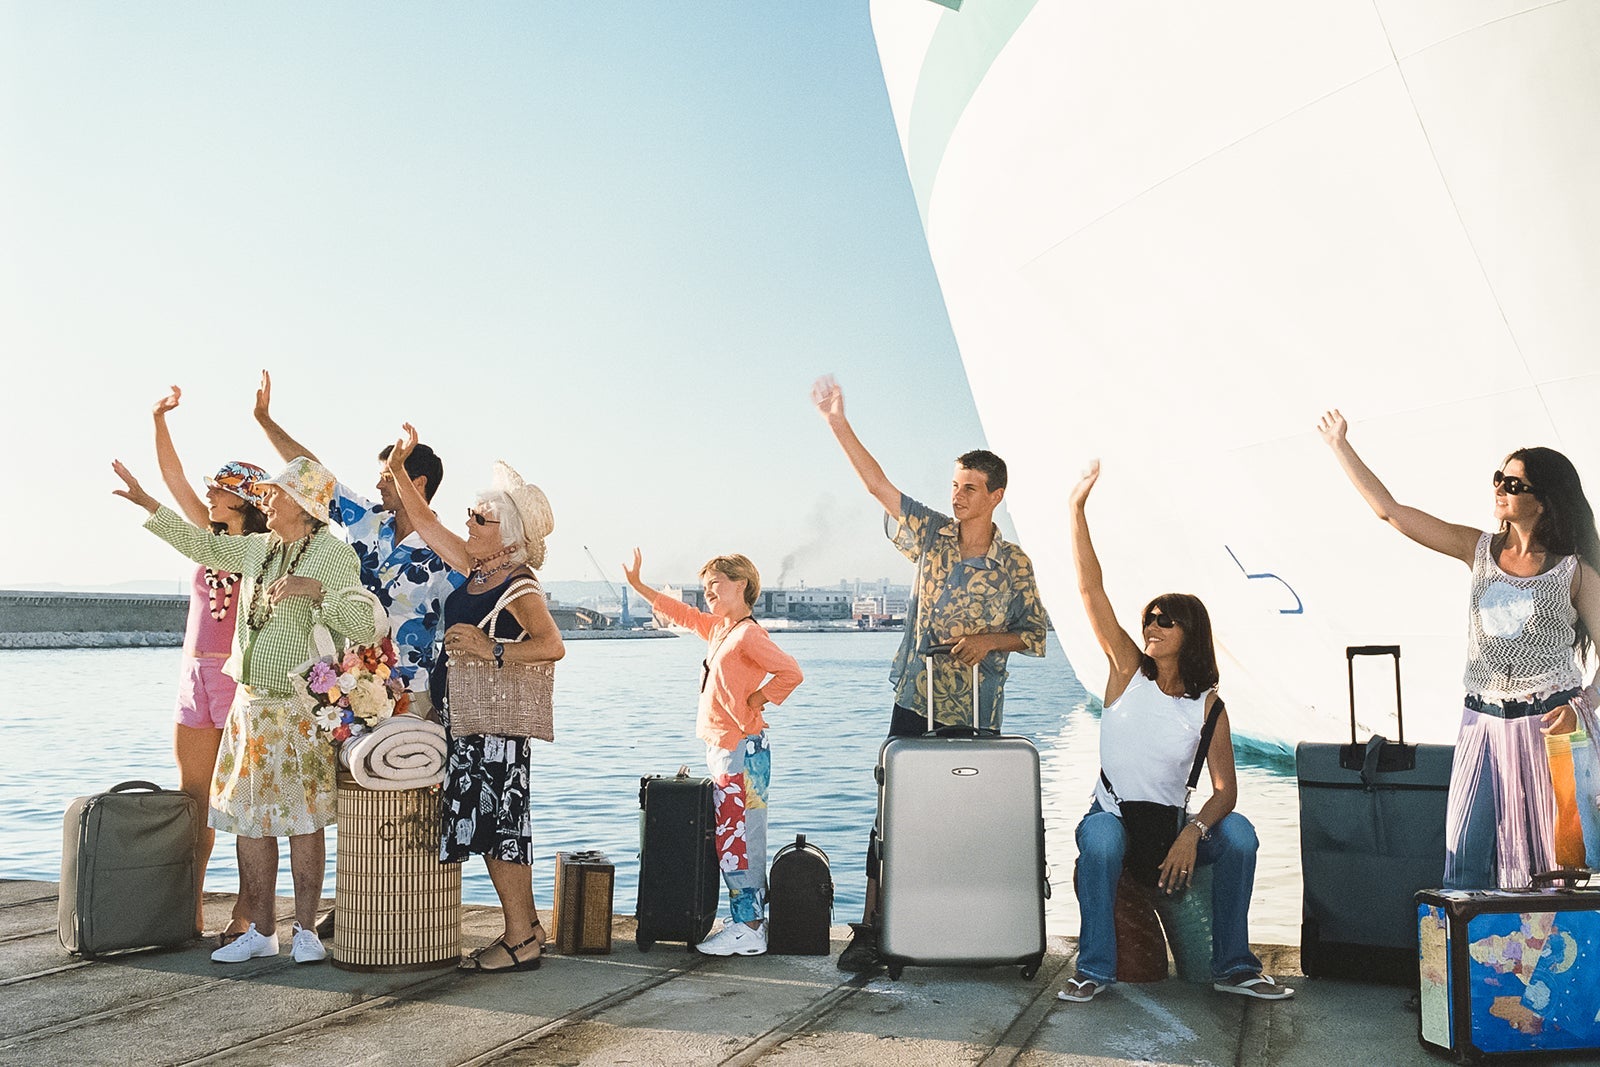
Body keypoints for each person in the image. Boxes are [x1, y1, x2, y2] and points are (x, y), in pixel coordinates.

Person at [810, 375, 1049, 972]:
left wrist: (989, 639)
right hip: (918, 698)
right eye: (954, 485)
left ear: (996, 495)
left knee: (970, 816)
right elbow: (877, 485)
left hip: (977, 710)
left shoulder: (1015, 564)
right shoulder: (932, 536)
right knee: (892, 813)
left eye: (969, 488)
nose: (957, 496)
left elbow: (1037, 633)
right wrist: (837, 422)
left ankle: (978, 927)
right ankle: (873, 929)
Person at [113, 455, 378, 965]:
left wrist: (316, 592)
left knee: (303, 821)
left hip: (298, 708)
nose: (266, 499)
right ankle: (261, 931)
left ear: (301, 504)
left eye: (275, 493)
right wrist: (147, 502)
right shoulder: (260, 548)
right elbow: (203, 544)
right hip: (249, 705)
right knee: (247, 819)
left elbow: (364, 625)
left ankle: (306, 932)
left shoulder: (333, 554)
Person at [1319, 410, 1600, 889]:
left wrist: (1586, 703)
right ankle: (1464, 961)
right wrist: (1340, 446)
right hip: (1481, 723)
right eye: (1499, 478)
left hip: (1550, 726)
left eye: (1513, 484)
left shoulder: (1573, 571)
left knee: (1553, 864)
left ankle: (1548, 961)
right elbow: (1391, 512)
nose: (1499, 489)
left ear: (1545, 502)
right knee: (1465, 854)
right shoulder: (1478, 549)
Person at [1058, 460, 1290, 1003]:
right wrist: (1076, 510)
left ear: (1191, 633)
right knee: (1098, 842)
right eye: (1149, 619)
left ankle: (1236, 967)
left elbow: (1226, 791)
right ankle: (1093, 969)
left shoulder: (1209, 706)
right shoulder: (1125, 672)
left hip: (1170, 827)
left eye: (1166, 620)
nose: (1152, 627)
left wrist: (1193, 833)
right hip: (1114, 816)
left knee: (1239, 836)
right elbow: (1091, 590)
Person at [382, 427, 565, 973]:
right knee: (497, 826)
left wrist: (493, 650)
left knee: (496, 830)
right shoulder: (475, 567)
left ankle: (517, 941)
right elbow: (427, 522)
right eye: (471, 515)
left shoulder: (520, 585)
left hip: (495, 729)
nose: (467, 523)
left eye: (479, 519)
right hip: (470, 722)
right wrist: (397, 469)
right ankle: (527, 927)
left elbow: (552, 645)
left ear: (507, 538)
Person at [623, 549, 804, 955]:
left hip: (740, 749)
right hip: (724, 747)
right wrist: (639, 587)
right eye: (705, 586)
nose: (707, 592)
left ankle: (750, 928)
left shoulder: (748, 634)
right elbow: (682, 614)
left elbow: (791, 671)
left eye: (715, 584)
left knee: (738, 839)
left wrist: (757, 699)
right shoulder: (723, 630)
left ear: (741, 584)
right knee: (733, 836)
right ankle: (746, 916)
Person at [149, 386, 269, 942]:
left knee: (241, 800)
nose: (209, 498)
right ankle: (188, 910)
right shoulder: (207, 538)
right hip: (192, 679)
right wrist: (160, 422)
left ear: (243, 501)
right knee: (191, 800)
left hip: (235, 679)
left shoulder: (261, 552)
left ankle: (246, 913)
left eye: (219, 492)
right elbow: (173, 482)